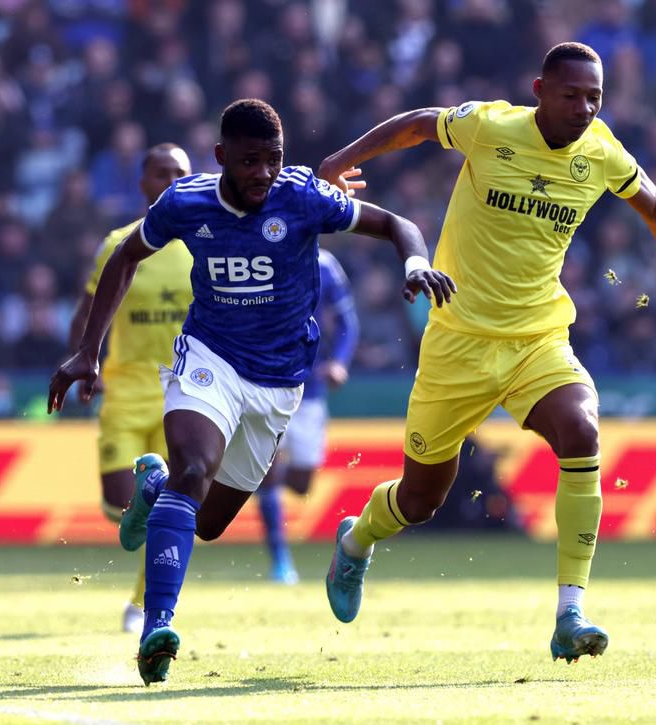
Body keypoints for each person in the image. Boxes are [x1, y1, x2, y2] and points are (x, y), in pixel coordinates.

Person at [317, 42, 656, 664]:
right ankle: (357, 540)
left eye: (594, 97)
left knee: (582, 431)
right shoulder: (490, 126)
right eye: (571, 94)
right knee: (420, 500)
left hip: (537, 338)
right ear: (539, 91)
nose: (584, 108)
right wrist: (337, 162)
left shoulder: (600, 151)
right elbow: (419, 123)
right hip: (457, 342)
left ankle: (569, 613)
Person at [47, 98, 456, 686]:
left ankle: (154, 487)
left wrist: (415, 264)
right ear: (221, 157)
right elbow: (125, 256)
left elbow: (397, 225)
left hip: (279, 381)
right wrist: (89, 349)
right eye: (249, 161)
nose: (263, 172)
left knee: (208, 523)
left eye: (273, 159)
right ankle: (156, 627)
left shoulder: (303, 196)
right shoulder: (186, 202)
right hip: (209, 357)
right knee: (194, 468)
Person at [66, 143, 193, 634]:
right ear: (143, 183)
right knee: (120, 507)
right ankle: (143, 505)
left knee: (171, 505)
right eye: (161, 173)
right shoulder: (119, 243)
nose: (171, 181)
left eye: (180, 173)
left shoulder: (206, 244)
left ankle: (144, 604)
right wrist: (83, 359)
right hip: (123, 391)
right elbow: (86, 312)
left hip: (184, 394)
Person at [257, 248, 359, 584]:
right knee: (268, 471)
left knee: (302, 483)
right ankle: (280, 561)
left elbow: (348, 322)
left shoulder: (326, 265)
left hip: (311, 386)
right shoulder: (259, 256)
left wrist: (340, 363)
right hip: (265, 382)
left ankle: (245, 476)